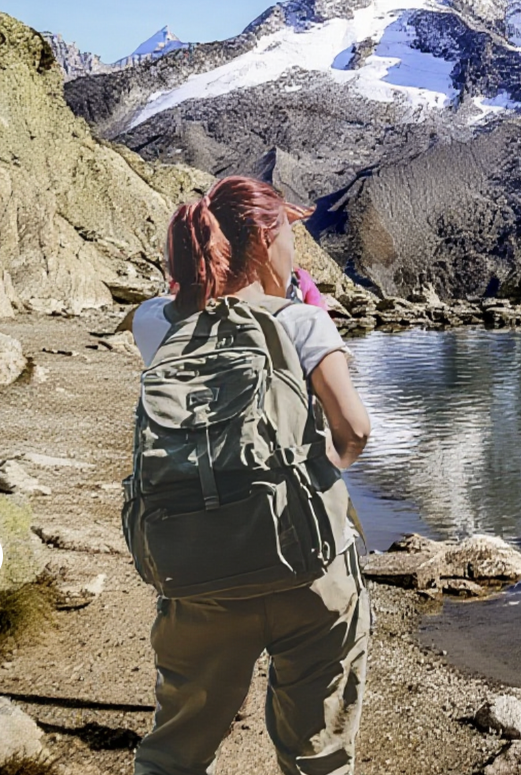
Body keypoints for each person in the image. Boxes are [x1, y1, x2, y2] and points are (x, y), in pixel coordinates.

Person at [129, 176, 371, 775]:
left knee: (174, 752)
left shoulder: (152, 324)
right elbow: (355, 430)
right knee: (318, 754)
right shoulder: (303, 323)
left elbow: (179, 305)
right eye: (289, 234)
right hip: (306, 572)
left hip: (196, 568)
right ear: (265, 239)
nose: (296, 251)